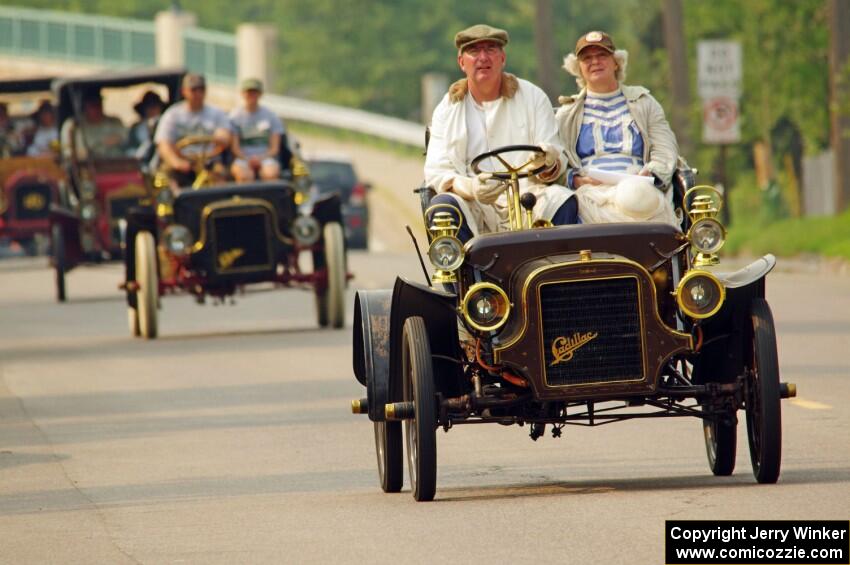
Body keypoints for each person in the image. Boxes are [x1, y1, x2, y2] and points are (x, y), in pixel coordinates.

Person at [424, 24, 577, 243]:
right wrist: (471, 187)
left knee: (563, 199)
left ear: (502, 58)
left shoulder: (533, 97)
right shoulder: (447, 109)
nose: (483, 57)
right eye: (474, 51)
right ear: (461, 63)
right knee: (443, 208)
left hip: (529, 197)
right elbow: (438, 173)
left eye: (491, 49)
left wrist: (546, 162)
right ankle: (464, 275)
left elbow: (555, 157)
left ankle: (553, 274)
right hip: (474, 204)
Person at [556, 31, 679, 226]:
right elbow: (556, 162)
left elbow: (665, 149)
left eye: (602, 55)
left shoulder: (644, 103)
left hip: (639, 187)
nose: (595, 61)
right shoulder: (566, 115)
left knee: (636, 199)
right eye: (587, 58)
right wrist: (575, 180)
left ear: (616, 62)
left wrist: (650, 174)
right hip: (590, 195)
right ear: (578, 68)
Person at [155, 73, 231, 189]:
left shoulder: (216, 113)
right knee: (167, 181)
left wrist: (221, 137)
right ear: (184, 91)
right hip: (182, 163)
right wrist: (176, 162)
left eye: (201, 89)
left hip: (209, 162)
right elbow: (163, 144)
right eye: (194, 90)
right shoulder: (173, 114)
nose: (198, 94)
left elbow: (225, 136)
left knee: (221, 176)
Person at [229, 78, 286, 182]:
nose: (251, 95)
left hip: (265, 157)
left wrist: (260, 159)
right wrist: (248, 159)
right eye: (249, 92)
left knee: (271, 173)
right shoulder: (235, 117)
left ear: (260, 94)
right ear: (243, 94)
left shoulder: (271, 116)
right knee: (243, 175)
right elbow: (235, 148)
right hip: (243, 158)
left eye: (254, 92)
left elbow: (274, 148)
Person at [60, 89, 127, 159]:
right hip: (85, 166)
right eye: (92, 105)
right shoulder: (72, 126)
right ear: (84, 106)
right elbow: (68, 152)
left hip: (116, 163)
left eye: (98, 104)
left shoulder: (114, 122)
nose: (97, 108)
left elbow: (125, 140)